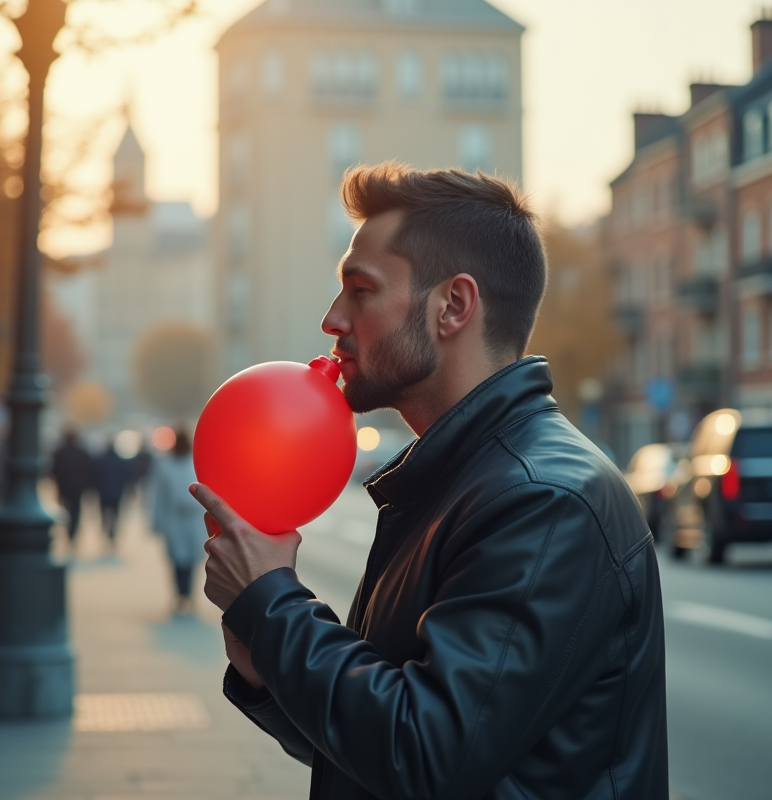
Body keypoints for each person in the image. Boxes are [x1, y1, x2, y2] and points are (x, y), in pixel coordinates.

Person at [190, 164, 668, 799]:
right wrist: (267, 663)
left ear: (454, 306)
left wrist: (273, 606)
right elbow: (385, 752)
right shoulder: (456, 480)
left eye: (360, 290)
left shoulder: (543, 500)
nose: (332, 319)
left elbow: (427, 755)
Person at [149, 427, 205, 615]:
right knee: (180, 560)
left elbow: (158, 497)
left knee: (186, 560)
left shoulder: (188, 463)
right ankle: (183, 595)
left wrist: (157, 521)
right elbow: (159, 496)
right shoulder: (169, 465)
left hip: (186, 519)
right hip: (178, 519)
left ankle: (184, 595)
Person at [50, 428, 94, 547]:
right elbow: (89, 471)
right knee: (76, 511)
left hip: (64, 487)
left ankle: (69, 532)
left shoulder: (59, 452)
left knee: (65, 510)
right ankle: (72, 533)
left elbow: (53, 471)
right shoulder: (82, 453)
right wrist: (88, 487)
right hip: (78, 488)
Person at [95, 436, 131, 549]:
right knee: (115, 515)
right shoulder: (120, 460)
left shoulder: (100, 460)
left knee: (103, 514)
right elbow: (126, 476)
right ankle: (112, 533)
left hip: (103, 492)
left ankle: (105, 531)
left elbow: (96, 476)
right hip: (116, 492)